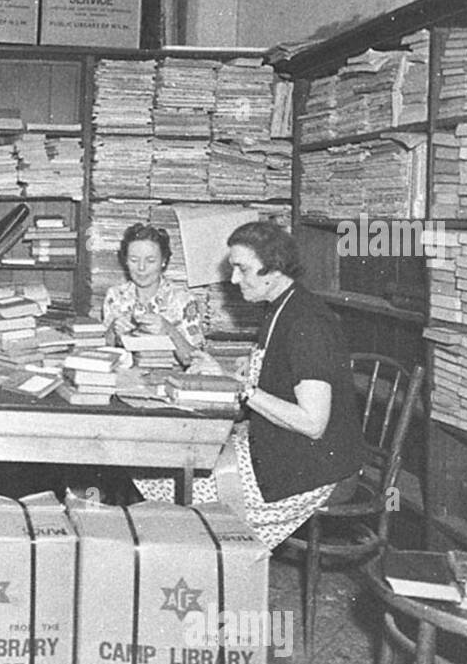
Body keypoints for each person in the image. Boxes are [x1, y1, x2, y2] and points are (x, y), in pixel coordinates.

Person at [135, 221, 364, 550]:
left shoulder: (307, 324)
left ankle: (214, 570)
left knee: (182, 485)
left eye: (242, 269)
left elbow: (313, 423)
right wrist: (228, 373)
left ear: (274, 269)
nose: (233, 279)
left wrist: (242, 389)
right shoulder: (282, 307)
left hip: (314, 470)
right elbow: (273, 379)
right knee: (163, 462)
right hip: (279, 447)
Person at [101, 222, 205, 365]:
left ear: (163, 261)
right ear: (125, 260)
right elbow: (100, 355)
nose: (141, 268)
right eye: (134, 260)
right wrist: (113, 330)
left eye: (150, 260)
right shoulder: (115, 296)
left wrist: (169, 330)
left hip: (171, 380)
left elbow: (195, 360)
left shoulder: (183, 300)